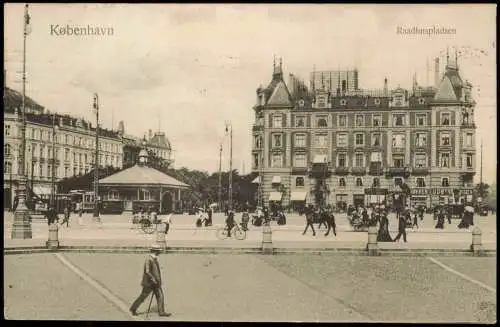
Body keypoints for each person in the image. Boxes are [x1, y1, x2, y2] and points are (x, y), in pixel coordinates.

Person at [130, 244, 170, 317]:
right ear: (155, 251)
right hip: (149, 283)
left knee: (160, 296)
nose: (160, 252)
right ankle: (133, 308)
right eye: (158, 251)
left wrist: (157, 280)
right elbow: (147, 271)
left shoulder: (154, 259)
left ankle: (161, 312)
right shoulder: (149, 259)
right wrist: (153, 279)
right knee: (143, 296)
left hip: (156, 283)